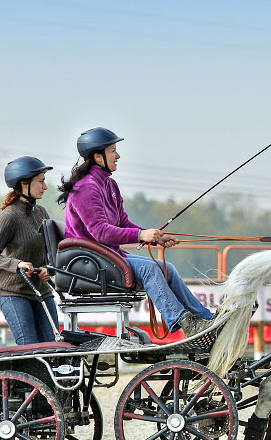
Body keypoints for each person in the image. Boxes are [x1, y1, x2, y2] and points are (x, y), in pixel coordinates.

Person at [56, 127, 214, 339]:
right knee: (150, 270)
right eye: (113, 150)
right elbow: (101, 232)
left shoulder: (109, 184)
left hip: (109, 258)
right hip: (91, 264)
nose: (118, 155)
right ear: (97, 156)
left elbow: (122, 222)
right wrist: (141, 236)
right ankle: (182, 321)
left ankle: (204, 319)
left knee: (169, 269)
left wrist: (155, 238)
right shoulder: (86, 188)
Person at [0, 156, 60, 345]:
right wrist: (17, 264)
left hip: (41, 291)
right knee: (29, 347)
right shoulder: (8, 216)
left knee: (54, 345)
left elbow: (52, 251)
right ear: (24, 183)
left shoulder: (41, 212)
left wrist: (48, 268)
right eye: (41, 181)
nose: (45, 187)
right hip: (14, 293)